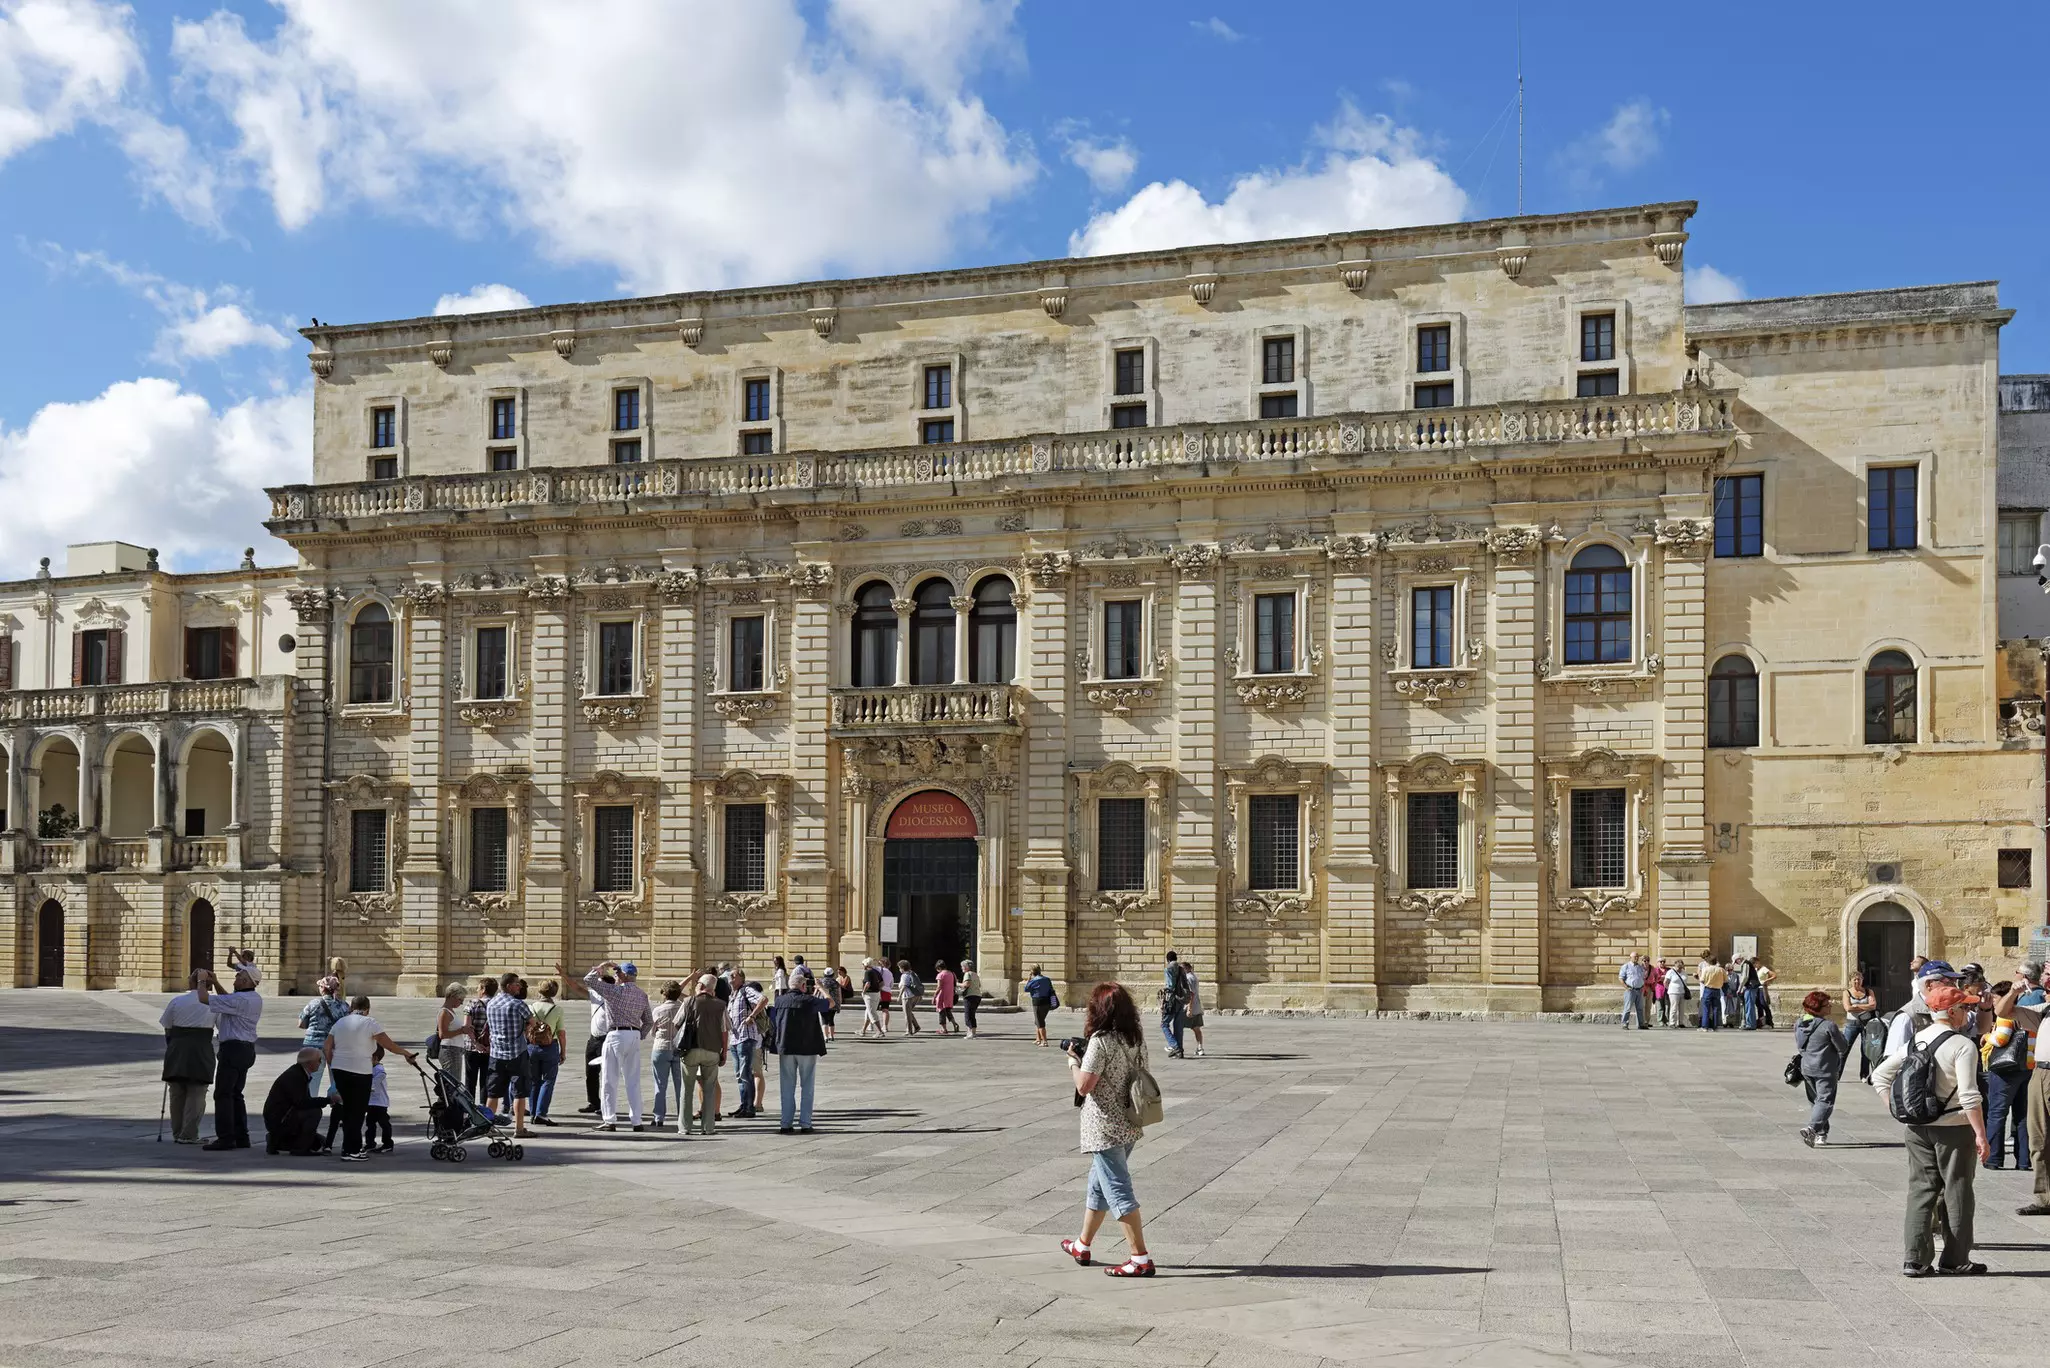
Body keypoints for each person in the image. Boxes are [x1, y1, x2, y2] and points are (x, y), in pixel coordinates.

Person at [1870, 964, 1988, 1276]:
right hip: (1954, 1127)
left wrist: (1896, 1109)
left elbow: (1880, 1075)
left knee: (1921, 1190)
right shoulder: (1962, 1045)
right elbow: (1969, 1095)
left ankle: (1915, 1259)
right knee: (1958, 1189)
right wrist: (1981, 1134)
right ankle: (1955, 1259)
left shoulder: (1917, 1041)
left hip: (1917, 1126)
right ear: (1952, 1010)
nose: (1968, 1014)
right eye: (1965, 1008)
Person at [1058, 983, 1157, 1277]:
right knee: (1098, 1186)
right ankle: (1082, 1245)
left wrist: (1073, 1062)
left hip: (1104, 1128)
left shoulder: (1101, 1041)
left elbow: (1084, 1085)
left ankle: (1140, 1258)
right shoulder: (1135, 1038)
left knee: (1117, 1189)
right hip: (1129, 1122)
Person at [323, 996, 416, 1161]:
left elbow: (327, 1046)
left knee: (348, 1110)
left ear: (351, 1007)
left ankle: (348, 1148)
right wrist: (406, 1053)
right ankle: (352, 1150)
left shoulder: (340, 1022)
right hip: (360, 1071)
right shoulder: (370, 1023)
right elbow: (388, 1044)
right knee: (357, 1112)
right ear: (367, 1009)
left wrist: (333, 1063)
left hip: (339, 1069)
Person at [204, 960, 264, 1150]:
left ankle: (226, 1137)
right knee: (236, 1094)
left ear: (247, 981)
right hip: (246, 1050)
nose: (236, 978)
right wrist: (215, 983)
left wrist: (200, 982)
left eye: (239, 977)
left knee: (223, 1094)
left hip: (233, 1049)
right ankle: (241, 1136)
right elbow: (227, 1000)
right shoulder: (252, 998)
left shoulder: (240, 1000)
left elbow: (203, 999)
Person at [584, 961, 651, 1131]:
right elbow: (649, 1021)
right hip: (634, 1035)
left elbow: (589, 980)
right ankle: (637, 1121)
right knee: (633, 1080)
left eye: (617, 973)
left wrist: (601, 966)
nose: (615, 976)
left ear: (622, 975)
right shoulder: (642, 995)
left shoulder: (615, 991)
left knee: (609, 1079)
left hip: (616, 1034)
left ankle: (609, 1120)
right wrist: (639, 1034)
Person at [158, 969, 219, 1145]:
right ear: (209, 984)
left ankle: (177, 1133)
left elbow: (167, 1026)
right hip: (201, 1049)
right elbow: (221, 1027)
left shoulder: (177, 1001)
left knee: (176, 1092)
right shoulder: (213, 1003)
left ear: (191, 982)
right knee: (197, 1092)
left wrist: (172, 1044)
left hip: (177, 1048)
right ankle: (188, 1134)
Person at [773, 968, 831, 1133]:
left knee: (786, 1086)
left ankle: (786, 1123)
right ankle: (805, 1123)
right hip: (807, 1047)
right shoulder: (809, 1000)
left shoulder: (780, 1001)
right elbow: (830, 1003)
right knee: (807, 1086)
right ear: (803, 986)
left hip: (786, 1047)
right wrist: (821, 988)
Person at [1795, 990, 1847, 1146]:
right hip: (1825, 1069)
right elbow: (1843, 1047)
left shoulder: (1800, 1023)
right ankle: (1812, 1129)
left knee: (1815, 1101)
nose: (1830, 1006)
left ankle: (1821, 1134)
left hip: (1807, 1067)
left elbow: (1800, 1046)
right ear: (1818, 1008)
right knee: (1825, 1101)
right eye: (1827, 1004)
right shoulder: (1828, 1026)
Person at [483, 974, 533, 1137]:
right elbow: (533, 1024)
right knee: (520, 1092)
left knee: (493, 1092)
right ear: (510, 986)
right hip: (517, 1053)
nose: (520, 987)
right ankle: (519, 1129)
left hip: (496, 1053)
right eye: (517, 984)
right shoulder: (518, 1004)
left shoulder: (491, 1003)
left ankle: (488, 1126)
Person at [680, 973, 727, 1136]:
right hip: (712, 1051)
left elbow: (677, 1023)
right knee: (710, 1089)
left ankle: (685, 1127)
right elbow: (724, 1030)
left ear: (700, 986)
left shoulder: (688, 1001)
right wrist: (724, 1052)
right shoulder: (721, 1005)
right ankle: (708, 1127)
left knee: (687, 1089)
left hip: (690, 1050)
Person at [262, 1049, 331, 1155]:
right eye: (319, 1060)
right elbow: (302, 1103)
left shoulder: (300, 1073)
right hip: (280, 1119)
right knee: (315, 1112)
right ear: (309, 1063)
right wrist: (328, 1100)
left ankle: (276, 1141)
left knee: (318, 1142)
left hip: (283, 1116)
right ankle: (300, 1149)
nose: (321, 1063)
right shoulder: (295, 1076)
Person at [726, 967, 767, 1119]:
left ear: (741, 978)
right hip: (735, 1039)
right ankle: (744, 1105)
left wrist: (752, 1016)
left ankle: (749, 1107)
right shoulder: (733, 995)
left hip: (746, 1037)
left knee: (745, 1074)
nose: (730, 976)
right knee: (739, 1074)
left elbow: (763, 999)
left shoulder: (746, 990)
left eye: (733, 975)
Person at [527, 979, 565, 1125]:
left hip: (532, 1046)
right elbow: (561, 1033)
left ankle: (533, 1113)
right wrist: (563, 1052)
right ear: (554, 993)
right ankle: (541, 1113)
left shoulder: (531, 1008)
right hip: (550, 1046)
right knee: (548, 1080)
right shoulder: (557, 1010)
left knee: (534, 1081)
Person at [649, 981, 687, 1127]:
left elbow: (653, 1031)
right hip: (679, 1048)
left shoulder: (658, 1010)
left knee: (660, 1085)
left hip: (661, 1047)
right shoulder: (684, 1008)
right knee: (680, 1085)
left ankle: (659, 1117)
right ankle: (682, 1115)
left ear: (664, 993)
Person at [463, 977, 497, 1102]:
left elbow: (467, 1027)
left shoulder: (472, 1003)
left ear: (483, 989)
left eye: (478, 987)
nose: (477, 990)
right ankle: (483, 1111)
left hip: (472, 1048)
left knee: (470, 1081)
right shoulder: (497, 1004)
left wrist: (475, 1043)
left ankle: (469, 1112)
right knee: (486, 1082)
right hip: (490, 1049)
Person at [433, 983, 472, 1084]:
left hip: (454, 1050)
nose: (461, 1003)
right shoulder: (444, 1012)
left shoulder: (450, 1012)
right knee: (452, 1084)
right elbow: (442, 1035)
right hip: (450, 1051)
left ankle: (446, 1100)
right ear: (452, 996)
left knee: (454, 1083)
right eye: (460, 999)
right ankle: (444, 1100)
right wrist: (461, 1030)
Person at [1845, 971, 1879, 1079]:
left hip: (1866, 1024)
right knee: (1844, 1049)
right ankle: (1837, 1074)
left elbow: (1873, 1006)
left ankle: (1864, 1074)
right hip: (1852, 1024)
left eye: (1859, 979)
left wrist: (1856, 1005)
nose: (1857, 981)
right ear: (1850, 981)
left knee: (1866, 1050)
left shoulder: (1869, 991)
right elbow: (1848, 1008)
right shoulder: (1847, 993)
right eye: (1854, 979)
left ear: (1862, 980)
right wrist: (1865, 1006)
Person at [1160, 952, 1190, 1057]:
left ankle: (1175, 1046)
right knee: (1178, 1026)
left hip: (1172, 1000)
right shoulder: (1181, 969)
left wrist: (1164, 1000)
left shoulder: (1168, 968)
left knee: (1164, 1024)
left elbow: (1170, 986)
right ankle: (1180, 1050)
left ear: (1167, 959)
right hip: (1181, 1000)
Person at [365, 1046, 394, 1153]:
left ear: (375, 1058)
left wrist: (371, 1085)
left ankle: (387, 1143)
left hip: (380, 1102)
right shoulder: (369, 1068)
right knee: (370, 1123)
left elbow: (381, 1076)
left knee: (384, 1123)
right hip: (371, 1102)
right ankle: (370, 1143)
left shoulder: (379, 1069)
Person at [1025, 965, 1058, 1046]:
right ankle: (1038, 1039)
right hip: (1047, 1001)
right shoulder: (1047, 979)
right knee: (1039, 1020)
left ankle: (1045, 1041)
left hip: (1037, 1002)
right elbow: (1051, 989)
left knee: (1040, 1022)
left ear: (1032, 972)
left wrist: (1029, 979)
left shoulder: (1033, 980)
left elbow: (1026, 989)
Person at [1618, 954, 1649, 1030]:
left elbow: (1643, 977)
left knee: (1640, 1008)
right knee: (1628, 1008)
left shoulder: (1640, 967)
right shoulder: (1626, 966)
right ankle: (1625, 1023)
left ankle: (1640, 1024)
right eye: (1635, 957)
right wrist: (1626, 987)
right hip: (1630, 990)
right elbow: (1621, 978)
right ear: (1630, 957)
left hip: (1639, 990)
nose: (1636, 958)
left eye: (1637, 957)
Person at [859, 959, 886, 1037]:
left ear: (866, 965)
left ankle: (880, 1031)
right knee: (869, 1012)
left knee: (872, 1013)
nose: (862, 966)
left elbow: (867, 983)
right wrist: (877, 989)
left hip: (870, 994)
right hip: (876, 994)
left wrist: (863, 992)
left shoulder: (868, 972)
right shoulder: (876, 971)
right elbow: (882, 983)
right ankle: (863, 1030)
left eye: (863, 964)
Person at [897, 960, 923, 1035]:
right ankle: (916, 1026)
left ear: (902, 968)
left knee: (907, 1014)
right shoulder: (913, 973)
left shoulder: (904, 975)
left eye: (899, 968)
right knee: (909, 1012)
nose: (899, 969)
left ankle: (909, 1030)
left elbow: (904, 986)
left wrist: (899, 996)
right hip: (914, 995)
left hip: (907, 996)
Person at [933, 961, 959, 1035]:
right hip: (950, 994)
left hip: (942, 995)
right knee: (948, 1010)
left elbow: (939, 986)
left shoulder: (940, 975)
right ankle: (954, 1023)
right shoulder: (951, 973)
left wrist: (935, 995)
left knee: (941, 1012)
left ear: (939, 968)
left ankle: (944, 1029)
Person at [959, 960, 983, 1039]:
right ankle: (972, 1032)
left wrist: (957, 984)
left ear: (966, 967)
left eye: (962, 966)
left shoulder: (967, 974)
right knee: (972, 1014)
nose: (961, 968)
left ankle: (971, 1033)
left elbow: (966, 984)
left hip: (970, 996)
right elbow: (979, 985)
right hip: (977, 996)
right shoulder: (975, 974)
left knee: (968, 1014)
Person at [1663, 960, 1688, 1031]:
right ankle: (1672, 1023)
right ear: (1675, 965)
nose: (1679, 969)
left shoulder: (1684, 972)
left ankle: (1680, 1022)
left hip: (1682, 992)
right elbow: (1665, 982)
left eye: (1681, 967)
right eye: (1678, 967)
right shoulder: (1670, 972)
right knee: (1674, 1008)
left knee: (1681, 1008)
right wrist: (1669, 989)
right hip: (1673, 992)